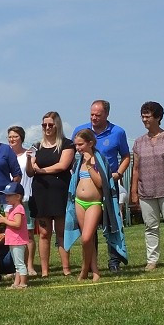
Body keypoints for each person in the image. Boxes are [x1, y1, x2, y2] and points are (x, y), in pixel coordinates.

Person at [72, 100, 129, 272]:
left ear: (107, 114)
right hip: (87, 187)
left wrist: (117, 174)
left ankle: (114, 261)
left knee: (112, 222)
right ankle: (91, 264)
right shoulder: (80, 131)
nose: (94, 118)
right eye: (92, 114)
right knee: (88, 231)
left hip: (109, 185)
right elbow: (75, 156)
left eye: (98, 115)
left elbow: (126, 156)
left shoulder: (118, 132)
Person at [129, 101, 164, 271]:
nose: (144, 119)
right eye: (143, 116)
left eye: (148, 116)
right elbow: (136, 168)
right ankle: (152, 260)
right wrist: (134, 191)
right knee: (150, 227)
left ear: (158, 117)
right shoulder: (138, 142)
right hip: (146, 191)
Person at [28, 111, 75, 277]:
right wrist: (29, 162)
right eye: (44, 125)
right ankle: (45, 271)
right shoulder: (36, 146)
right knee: (44, 233)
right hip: (41, 193)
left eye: (50, 125)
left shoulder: (67, 144)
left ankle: (66, 268)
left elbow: (62, 166)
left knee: (62, 232)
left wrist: (40, 170)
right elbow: (30, 170)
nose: (47, 128)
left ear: (57, 125)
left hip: (60, 191)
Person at [69, 129, 104, 282]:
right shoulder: (78, 162)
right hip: (79, 202)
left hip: (94, 203)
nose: (78, 148)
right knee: (86, 239)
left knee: (87, 237)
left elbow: (101, 183)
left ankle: (85, 268)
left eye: (80, 145)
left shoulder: (98, 160)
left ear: (90, 143)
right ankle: (94, 270)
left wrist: (90, 166)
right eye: (76, 145)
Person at [6, 126, 37, 275]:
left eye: (15, 136)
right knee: (12, 235)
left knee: (28, 234)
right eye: (10, 137)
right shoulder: (5, 155)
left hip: (26, 197)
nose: (12, 139)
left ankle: (29, 265)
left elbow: (31, 173)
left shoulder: (28, 154)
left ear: (21, 138)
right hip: (9, 200)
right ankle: (16, 266)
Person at [0, 181, 28, 289]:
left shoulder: (19, 208)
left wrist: (4, 220)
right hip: (13, 240)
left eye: (9, 195)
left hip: (18, 240)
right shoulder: (12, 209)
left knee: (20, 263)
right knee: (17, 264)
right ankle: (16, 283)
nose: (6, 197)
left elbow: (17, 224)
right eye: (6, 195)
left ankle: (23, 283)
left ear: (18, 196)